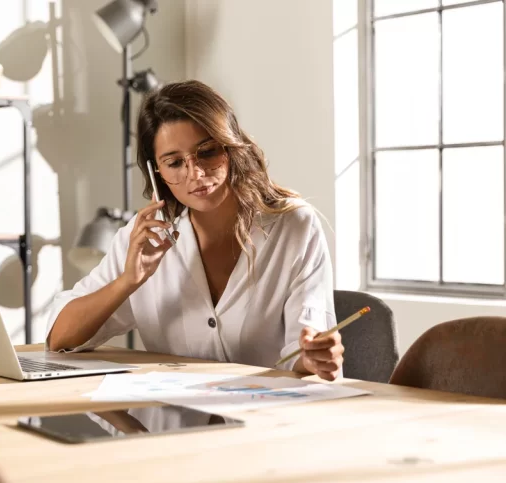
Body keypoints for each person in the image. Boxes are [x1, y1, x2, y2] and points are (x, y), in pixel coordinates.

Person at [45, 80, 343, 381]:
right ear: (156, 172)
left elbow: (304, 348)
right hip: (173, 420)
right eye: (174, 162)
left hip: (267, 417)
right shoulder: (144, 238)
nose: (196, 174)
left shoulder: (293, 227)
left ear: (230, 146)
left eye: (208, 152)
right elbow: (60, 338)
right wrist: (128, 281)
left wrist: (314, 356)